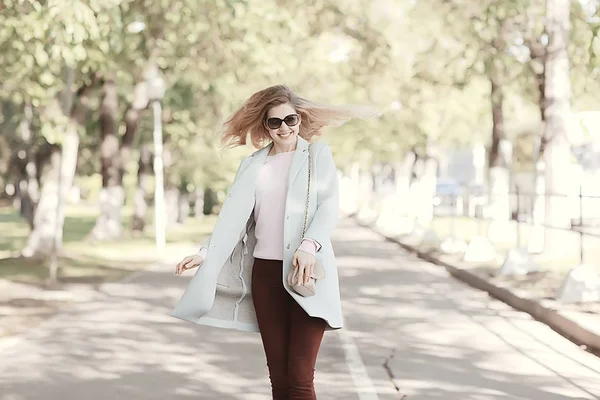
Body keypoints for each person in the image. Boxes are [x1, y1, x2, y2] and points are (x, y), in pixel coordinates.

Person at [170, 85, 378, 399]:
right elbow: (234, 219)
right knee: (279, 377)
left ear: (299, 119)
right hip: (265, 276)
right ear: (265, 126)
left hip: (305, 273)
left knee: (299, 376)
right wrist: (204, 253)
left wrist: (309, 246)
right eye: (275, 122)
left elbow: (328, 205)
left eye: (290, 120)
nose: (284, 128)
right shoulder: (253, 164)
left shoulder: (317, 156)